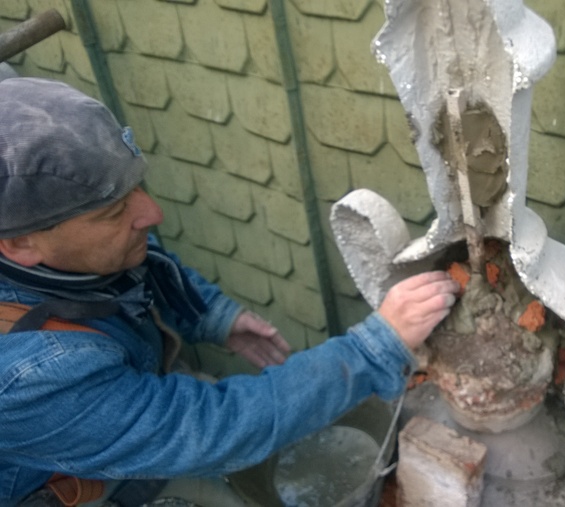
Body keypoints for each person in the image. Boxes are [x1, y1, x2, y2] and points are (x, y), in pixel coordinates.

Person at [0, 77, 458, 506]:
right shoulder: (31, 376)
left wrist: (212, 315)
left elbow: (141, 263)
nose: (152, 213)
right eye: (114, 212)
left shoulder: (65, 247)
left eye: (137, 188)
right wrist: (373, 350)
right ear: (20, 244)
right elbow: (209, 430)